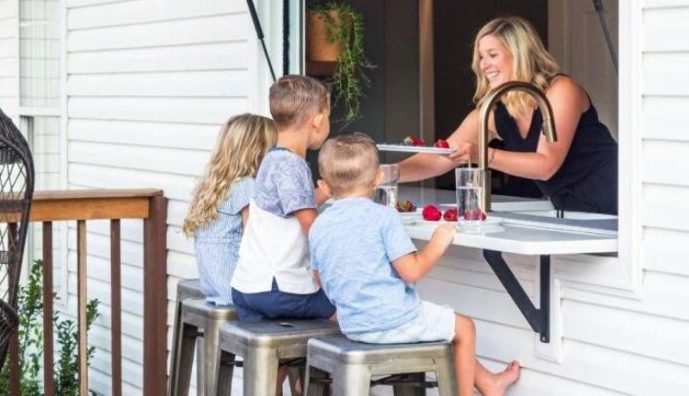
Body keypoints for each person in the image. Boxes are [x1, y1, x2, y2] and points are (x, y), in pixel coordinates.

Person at [310, 133, 521, 396]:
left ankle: (488, 382)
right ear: (378, 178)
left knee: (440, 322)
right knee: (464, 328)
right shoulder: (384, 217)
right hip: (393, 321)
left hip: (353, 325)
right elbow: (412, 272)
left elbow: (320, 279)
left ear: (325, 187)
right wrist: (439, 241)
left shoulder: (319, 224)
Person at [400, 15, 618, 215]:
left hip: (616, 197)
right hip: (570, 207)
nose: (484, 65)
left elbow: (546, 166)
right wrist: (386, 173)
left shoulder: (561, 90)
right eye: (481, 57)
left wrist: (483, 155)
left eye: (492, 55)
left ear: (520, 55)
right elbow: (443, 156)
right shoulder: (494, 111)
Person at [230, 74, 336, 322]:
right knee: (350, 310)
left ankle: (286, 363)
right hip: (280, 288)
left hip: (247, 289)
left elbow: (287, 207)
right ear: (318, 121)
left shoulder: (272, 158)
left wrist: (321, 194)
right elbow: (310, 225)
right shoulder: (292, 165)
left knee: (280, 355)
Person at [182, 113, 277, 306]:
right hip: (236, 291)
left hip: (214, 288)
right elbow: (256, 239)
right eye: (273, 148)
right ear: (256, 151)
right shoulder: (246, 186)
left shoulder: (216, 185)